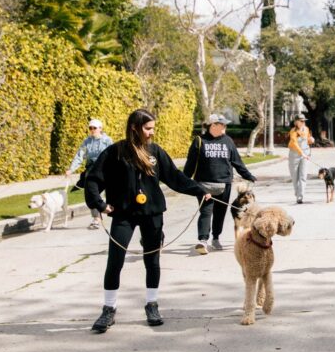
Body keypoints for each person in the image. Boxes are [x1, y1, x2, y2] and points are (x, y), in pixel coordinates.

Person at [84, 108, 211, 333]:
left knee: (152, 261)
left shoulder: (156, 152)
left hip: (152, 213)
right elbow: (93, 179)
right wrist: (100, 204)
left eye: (153, 128)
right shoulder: (116, 152)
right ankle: (108, 309)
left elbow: (175, 177)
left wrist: (199, 190)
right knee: (115, 261)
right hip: (123, 214)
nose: (152, 133)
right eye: (148, 128)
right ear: (135, 127)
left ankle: (152, 305)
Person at [184, 113, 256, 254]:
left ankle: (216, 238)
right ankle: (203, 241)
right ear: (213, 125)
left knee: (220, 213)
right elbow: (190, 164)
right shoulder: (199, 141)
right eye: (222, 124)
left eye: (225, 124)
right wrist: (184, 181)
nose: (225, 126)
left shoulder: (228, 141)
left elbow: (237, 162)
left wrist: (248, 175)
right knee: (205, 212)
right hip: (204, 185)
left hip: (224, 184)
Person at [66, 118, 114, 229]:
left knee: (111, 191)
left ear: (100, 128)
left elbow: (113, 155)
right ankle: (96, 219)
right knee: (92, 193)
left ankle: (113, 211)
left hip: (105, 169)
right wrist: (71, 169)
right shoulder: (86, 142)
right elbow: (79, 156)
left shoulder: (107, 140)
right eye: (90, 128)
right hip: (91, 170)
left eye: (94, 128)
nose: (92, 130)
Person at [287, 115, 314, 204]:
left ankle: (300, 196)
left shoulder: (306, 129)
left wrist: (311, 140)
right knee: (295, 177)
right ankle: (297, 193)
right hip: (294, 154)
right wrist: (301, 153)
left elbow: (308, 140)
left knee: (303, 176)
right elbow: (294, 143)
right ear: (296, 122)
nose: (303, 123)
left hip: (305, 154)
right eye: (301, 121)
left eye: (304, 121)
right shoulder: (293, 131)